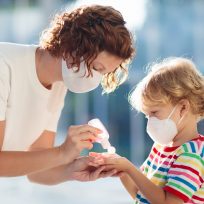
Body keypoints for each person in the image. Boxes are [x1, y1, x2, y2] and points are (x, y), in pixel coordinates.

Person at [0, 5, 134, 185]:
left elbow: (36, 172)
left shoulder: (58, 84)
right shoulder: (4, 65)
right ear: (73, 46)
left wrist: (72, 170)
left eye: (103, 74)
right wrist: (62, 152)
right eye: (96, 68)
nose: (95, 80)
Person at [90, 57, 204, 203]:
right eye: (147, 116)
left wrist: (129, 168)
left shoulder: (191, 155)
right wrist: (122, 171)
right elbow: (141, 195)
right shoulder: (160, 147)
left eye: (154, 113)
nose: (150, 121)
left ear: (183, 108)